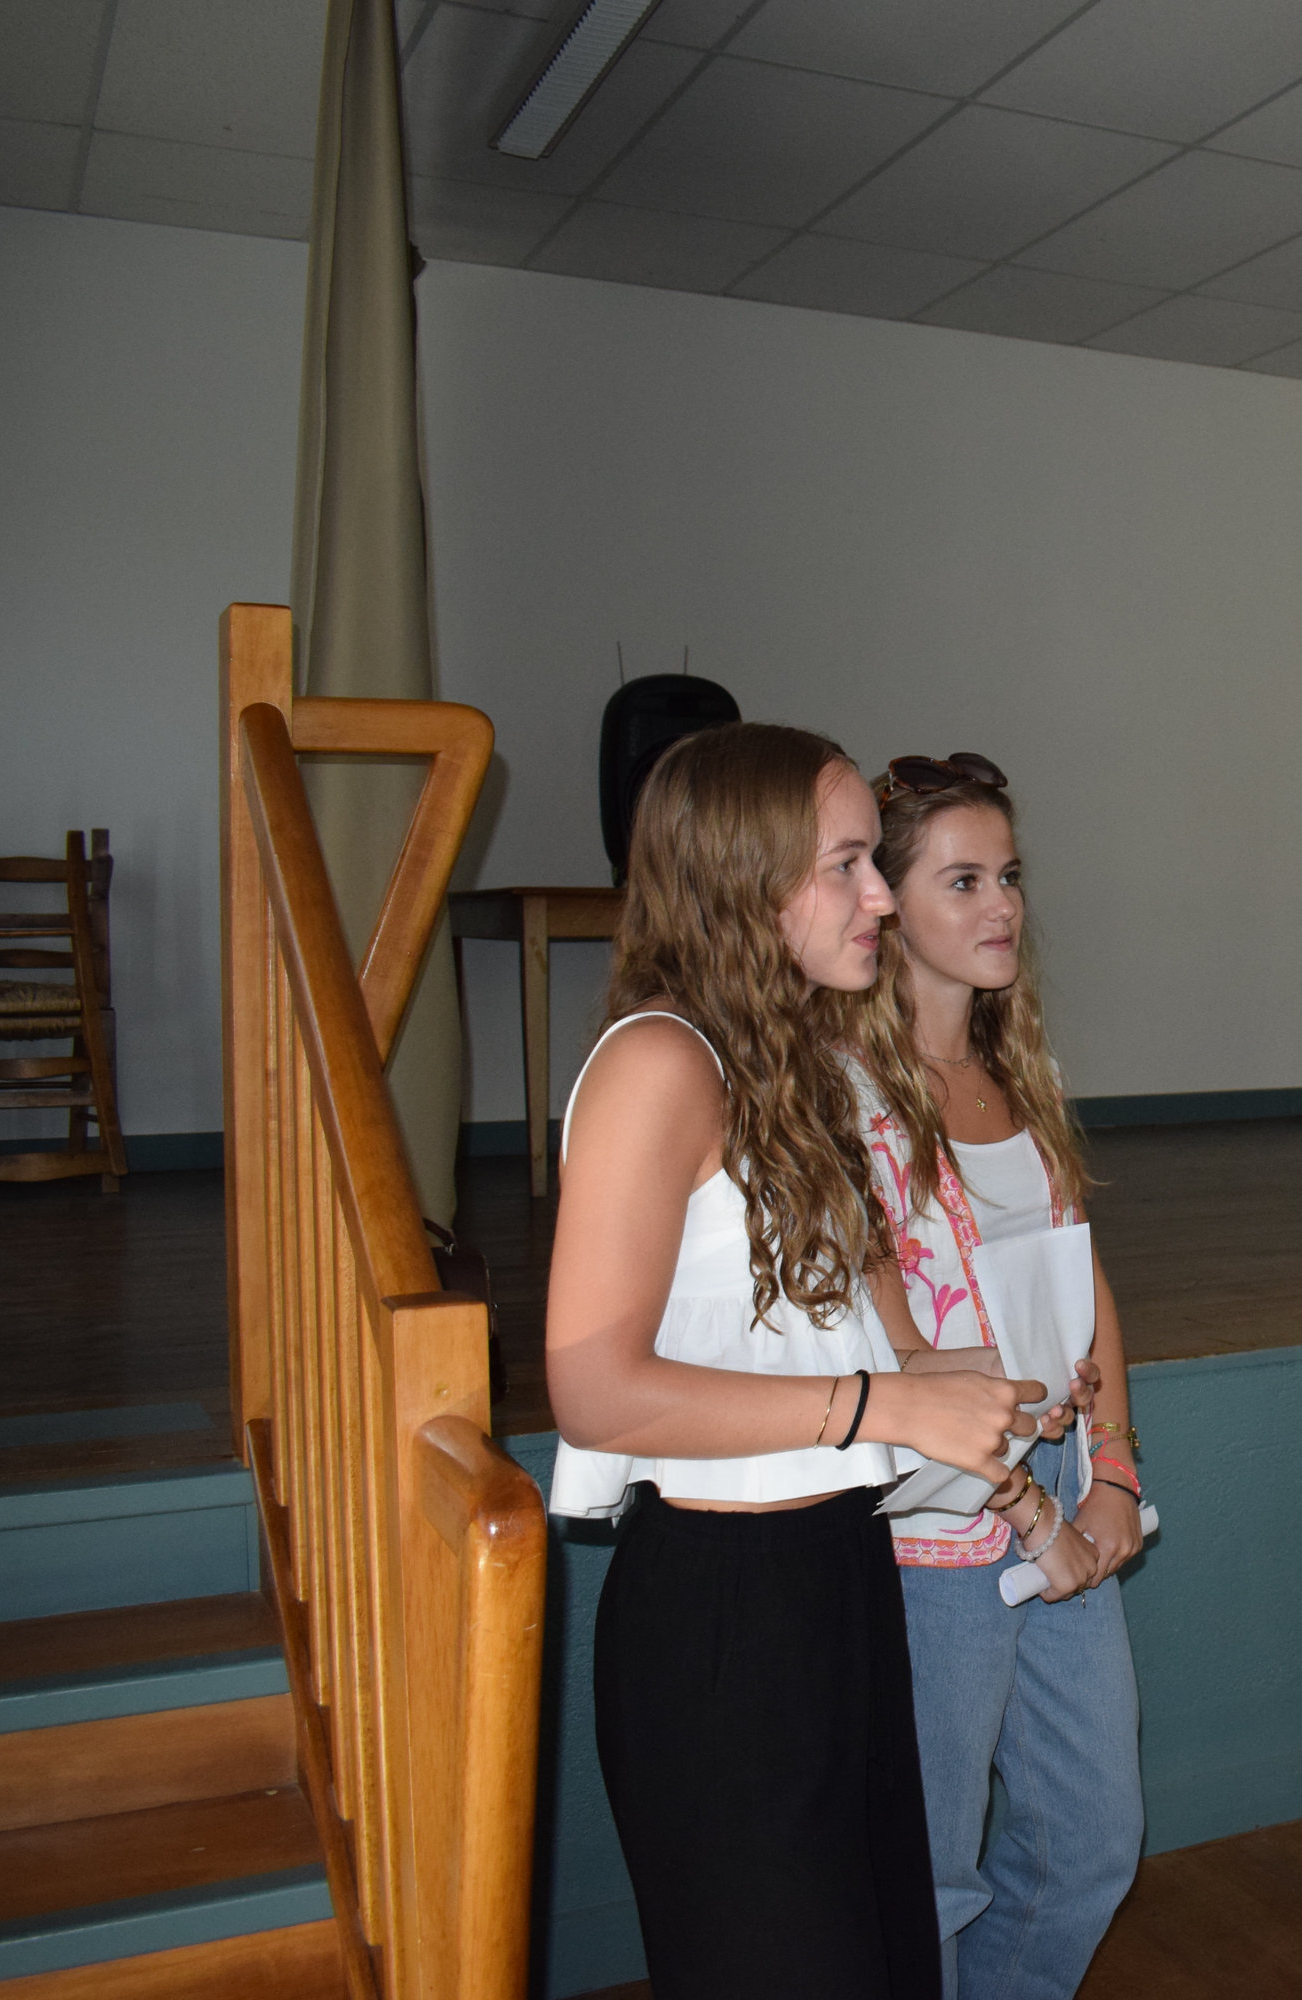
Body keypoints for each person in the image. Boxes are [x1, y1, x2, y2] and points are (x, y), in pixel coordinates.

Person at [544, 723, 1046, 2000]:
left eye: (875, 862)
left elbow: (826, 1319)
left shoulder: (800, 1061)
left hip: (836, 1577)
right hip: (722, 1616)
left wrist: (953, 1373)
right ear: (741, 880)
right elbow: (593, 1388)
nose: (879, 894)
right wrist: (889, 1399)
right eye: (848, 864)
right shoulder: (657, 1063)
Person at [853, 751, 1146, 2000]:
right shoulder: (847, 1100)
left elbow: (1089, 1284)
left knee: (1089, 1838)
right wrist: (1037, 1514)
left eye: (1009, 875)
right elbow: (898, 1346)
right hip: (943, 1528)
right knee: (931, 1873)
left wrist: (1116, 1470)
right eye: (962, 878)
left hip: (1062, 1487)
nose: (1002, 905)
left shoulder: (1019, 1071)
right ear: (888, 903)